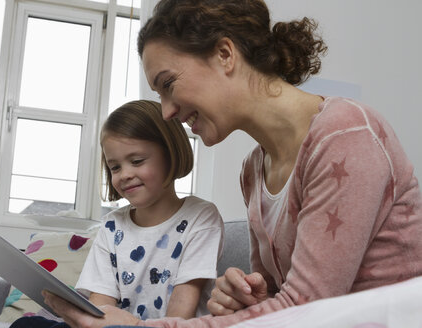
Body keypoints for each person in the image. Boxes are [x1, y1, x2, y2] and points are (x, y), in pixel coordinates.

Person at [41, 0, 422, 327]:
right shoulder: (254, 171)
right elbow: (280, 299)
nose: (168, 112)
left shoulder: (345, 137)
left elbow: (307, 312)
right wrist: (247, 297)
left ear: (225, 54)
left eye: (168, 84)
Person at [10, 100, 224, 327]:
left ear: (170, 154)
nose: (125, 174)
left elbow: (181, 312)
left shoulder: (201, 217)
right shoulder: (112, 225)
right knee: (26, 326)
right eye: (115, 167)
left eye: (137, 161)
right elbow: (101, 305)